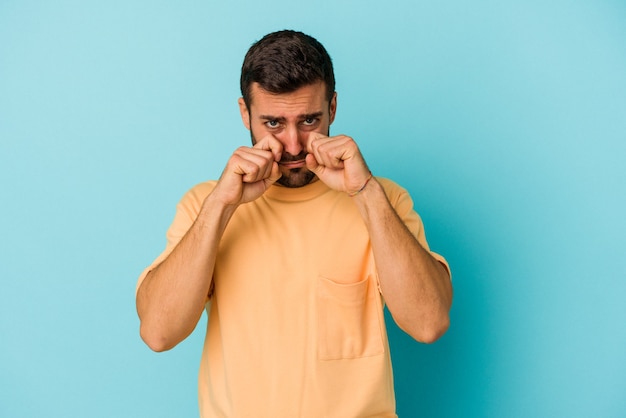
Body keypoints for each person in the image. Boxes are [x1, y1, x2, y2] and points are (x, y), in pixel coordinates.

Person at [136, 30, 452, 417]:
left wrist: (366, 192)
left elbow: (429, 323)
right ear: (244, 114)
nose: (292, 145)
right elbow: (157, 332)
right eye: (272, 123)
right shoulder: (206, 205)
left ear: (332, 108)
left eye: (308, 120)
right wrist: (221, 204)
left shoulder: (383, 199)